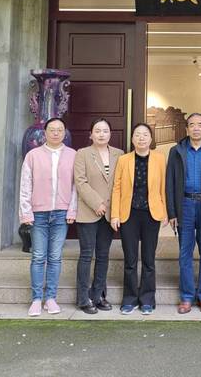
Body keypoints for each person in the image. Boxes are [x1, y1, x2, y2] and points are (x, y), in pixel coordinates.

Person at [19, 118, 77, 317]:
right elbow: (25, 185)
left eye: (60, 130)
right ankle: (36, 299)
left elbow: (75, 186)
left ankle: (50, 298)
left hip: (61, 213)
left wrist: (72, 210)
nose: (56, 133)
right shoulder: (33, 155)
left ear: (64, 132)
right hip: (38, 214)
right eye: (52, 130)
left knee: (55, 257)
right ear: (45, 133)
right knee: (38, 256)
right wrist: (26, 212)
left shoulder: (73, 155)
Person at [166, 112, 201, 314]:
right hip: (185, 206)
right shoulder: (177, 151)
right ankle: (187, 297)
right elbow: (170, 182)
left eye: (200, 124)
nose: (196, 128)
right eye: (192, 125)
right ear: (187, 128)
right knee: (185, 253)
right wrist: (172, 212)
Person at [110, 123, 167, 315]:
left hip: (151, 214)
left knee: (149, 259)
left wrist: (165, 212)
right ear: (132, 139)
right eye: (137, 135)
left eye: (145, 135)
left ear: (151, 139)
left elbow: (164, 187)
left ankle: (147, 299)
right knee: (130, 259)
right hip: (129, 214)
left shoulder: (160, 159)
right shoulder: (124, 160)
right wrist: (115, 214)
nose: (141, 138)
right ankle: (129, 299)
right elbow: (117, 188)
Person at [73, 118, 123, 314]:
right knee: (87, 255)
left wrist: (113, 209)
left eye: (105, 131)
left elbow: (120, 183)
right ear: (91, 134)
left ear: (110, 134)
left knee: (103, 255)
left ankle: (98, 295)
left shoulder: (119, 154)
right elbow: (80, 182)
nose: (102, 134)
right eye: (98, 131)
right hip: (89, 212)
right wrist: (97, 203)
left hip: (110, 214)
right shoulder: (83, 154)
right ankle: (83, 298)